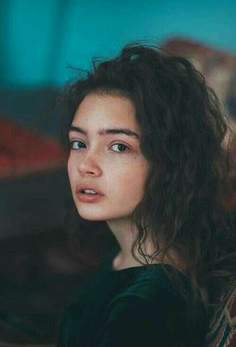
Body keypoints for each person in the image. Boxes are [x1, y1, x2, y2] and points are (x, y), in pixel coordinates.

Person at [57, 43, 236, 347]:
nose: (86, 165)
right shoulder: (140, 247)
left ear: (170, 161)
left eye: (119, 146)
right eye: (79, 142)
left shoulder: (147, 308)